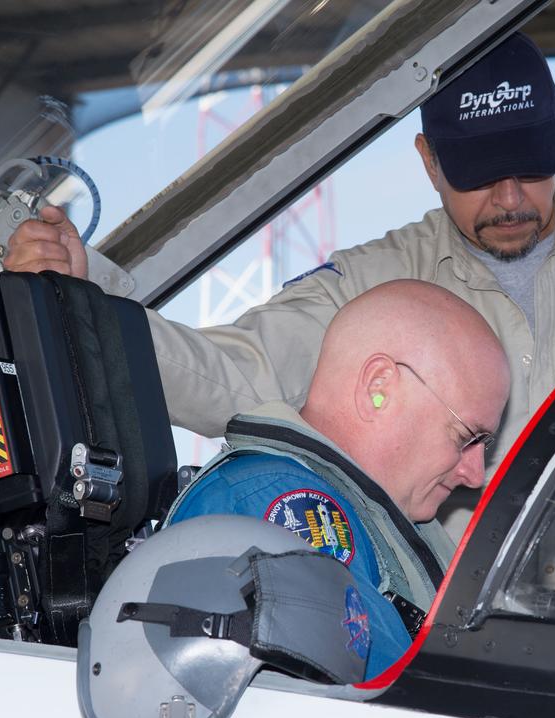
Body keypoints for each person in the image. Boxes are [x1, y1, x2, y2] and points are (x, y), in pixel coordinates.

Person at [6, 33, 555, 606]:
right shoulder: (372, 281)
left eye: (531, 164)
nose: (509, 197)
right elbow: (227, 377)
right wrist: (89, 289)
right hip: (461, 632)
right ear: (429, 162)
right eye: (478, 173)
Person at [163, 279, 510, 679]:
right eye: (466, 437)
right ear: (378, 388)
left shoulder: (378, 514)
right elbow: (399, 708)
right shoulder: (275, 509)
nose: (475, 474)